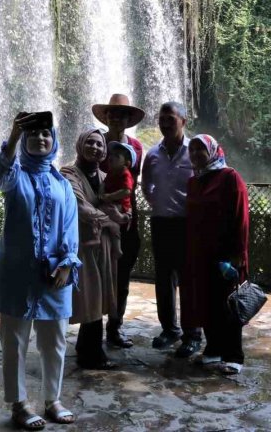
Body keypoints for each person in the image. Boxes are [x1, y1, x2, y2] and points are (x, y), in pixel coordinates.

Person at [0, 112, 81, 429]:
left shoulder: (61, 183)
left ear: (54, 142)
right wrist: (13, 133)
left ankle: (53, 400)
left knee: (55, 342)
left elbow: (70, 226)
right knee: (15, 342)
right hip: (16, 273)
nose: (41, 138)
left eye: (46, 134)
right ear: (25, 141)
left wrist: (68, 263)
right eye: (34, 134)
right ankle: (20, 404)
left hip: (55, 275)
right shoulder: (15, 177)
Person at [181, 134, 250, 375]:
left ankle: (234, 356)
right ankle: (213, 350)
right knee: (207, 301)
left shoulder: (229, 177)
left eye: (201, 149)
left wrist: (238, 253)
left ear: (212, 151)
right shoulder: (194, 181)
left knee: (229, 305)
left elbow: (241, 216)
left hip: (227, 254)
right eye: (192, 150)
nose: (196, 154)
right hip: (201, 254)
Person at [61, 128, 128, 369]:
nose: (95, 148)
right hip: (82, 244)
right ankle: (92, 355)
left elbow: (116, 201)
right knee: (90, 296)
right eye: (90, 142)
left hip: (105, 244)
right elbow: (79, 205)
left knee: (98, 297)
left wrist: (121, 214)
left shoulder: (103, 176)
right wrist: (110, 219)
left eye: (100, 145)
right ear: (80, 144)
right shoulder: (68, 174)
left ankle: (85, 347)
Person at [140, 101, 202, 357]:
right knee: (164, 279)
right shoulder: (153, 154)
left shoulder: (196, 152)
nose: (165, 123)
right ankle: (170, 329)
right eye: (161, 119)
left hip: (188, 224)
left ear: (183, 122)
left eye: (170, 119)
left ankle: (193, 334)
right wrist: (156, 201)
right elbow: (145, 185)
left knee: (189, 280)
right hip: (161, 222)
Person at [93, 94, 145, 349]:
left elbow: (131, 183)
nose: (116, 118)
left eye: (122, 114)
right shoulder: (96, 142)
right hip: (97, 218)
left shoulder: (136, 146)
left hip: (126, 220)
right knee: (94, 274)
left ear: (128, 119)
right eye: (112, 113)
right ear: (106, 117)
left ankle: (115, 327)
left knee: (122, 278)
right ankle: (91, 330)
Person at [99, 141, 136, 222]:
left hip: (121, 205)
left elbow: (127, 191)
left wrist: (110, 196)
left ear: (126, 163)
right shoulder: (111, 171)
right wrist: (101, 193)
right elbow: (104, 183)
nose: (111, 157)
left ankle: (122, 218)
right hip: (111, 202)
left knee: (104, 209)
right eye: (111, 154)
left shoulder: (126, 174)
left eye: (117, 156)